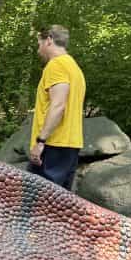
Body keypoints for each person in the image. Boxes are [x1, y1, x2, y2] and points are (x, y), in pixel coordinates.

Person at [28, 25, 86, 191]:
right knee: (60, 207)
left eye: (39, 44)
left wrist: (40, 142)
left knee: (38, 202)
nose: (39, 49)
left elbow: (58, 105)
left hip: (53, 145)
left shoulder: (56, 66)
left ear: (49, 40)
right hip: (70, 145)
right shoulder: (74, 68)